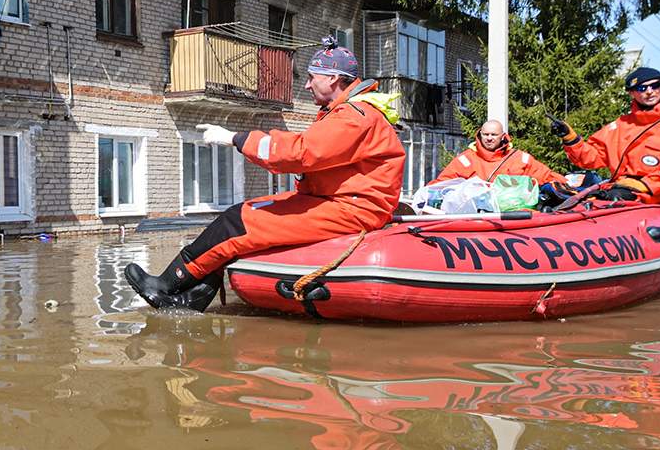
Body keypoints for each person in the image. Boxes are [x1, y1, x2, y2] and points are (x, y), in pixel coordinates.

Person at [125, 42, 406, 311]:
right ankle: (194, 296)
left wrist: (235, 138)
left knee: (238, 223)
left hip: (351, 209)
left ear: (333, 78)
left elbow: (300, 152)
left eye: (311, 77)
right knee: (242, 213)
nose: (307, 85)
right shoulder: (349, 113)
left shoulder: (353, 116)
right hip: (339, 201)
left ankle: (165, 285)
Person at [553, 65, 660, 203]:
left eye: (655, 85)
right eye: (642, 88)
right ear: (631, 93)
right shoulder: (621, 126)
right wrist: (571, 139)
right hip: (624, 191)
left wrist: (647, 184)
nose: (650, 92)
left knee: (610, 198)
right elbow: (591, 158)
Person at [429, 119, 563, 186]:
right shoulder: (466, 160)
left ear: (503, 136)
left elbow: (546, 176)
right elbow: (441, 184)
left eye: (493, 134)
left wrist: (570, 184)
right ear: (480, 134)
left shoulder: (520, 158)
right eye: (485, 134)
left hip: (514, 218)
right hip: (476, 218)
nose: (489, 138)